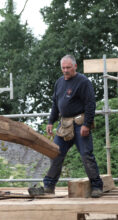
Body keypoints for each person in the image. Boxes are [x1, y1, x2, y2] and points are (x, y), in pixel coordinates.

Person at [43, 54, 103, 198]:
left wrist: (87, 124)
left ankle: (96, 186)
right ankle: (49, 185)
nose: (65, 70)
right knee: (56, 153)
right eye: (63, 68)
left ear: (75, 66)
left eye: (68, 67)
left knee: (86, 155)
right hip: (64, 125)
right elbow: (55, 105)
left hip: (80, 123)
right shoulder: (59, 83)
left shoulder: (83, 82)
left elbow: (90, 104)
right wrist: (51, 122)